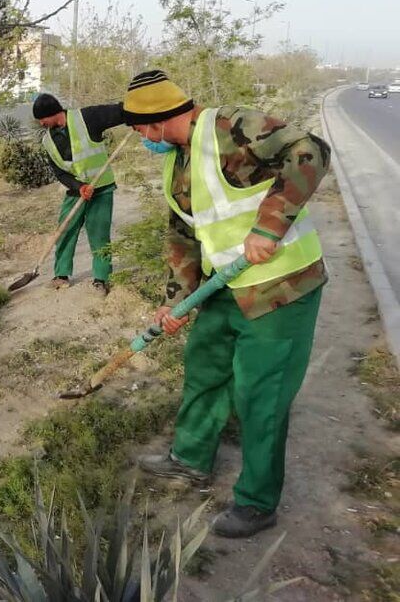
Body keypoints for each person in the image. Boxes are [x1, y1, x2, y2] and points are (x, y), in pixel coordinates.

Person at [121, 69, 330, 538]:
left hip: (280, 287)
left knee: (262, 397)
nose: (138, 138)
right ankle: (190, 460)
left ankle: (257, 502)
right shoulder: (176, 159)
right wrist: (174, 301)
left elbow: (309, 151)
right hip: (224, 288)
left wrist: (270, 225)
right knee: (205, 368)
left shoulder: (232, 127)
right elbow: (184, 233)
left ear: (155, 119)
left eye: (137, 128)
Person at [32, 92, 124, 295]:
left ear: (52, 113)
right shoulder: (48, 141)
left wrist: (140, 117)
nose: (41, 123)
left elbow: (119, 111)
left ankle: (101, 279)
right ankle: (61, 275)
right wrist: (77, 186)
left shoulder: (86, 118)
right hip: (76, 191)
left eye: (42, 119)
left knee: (99, 235)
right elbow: (59, 172)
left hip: (101, 188)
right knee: (65, 231)